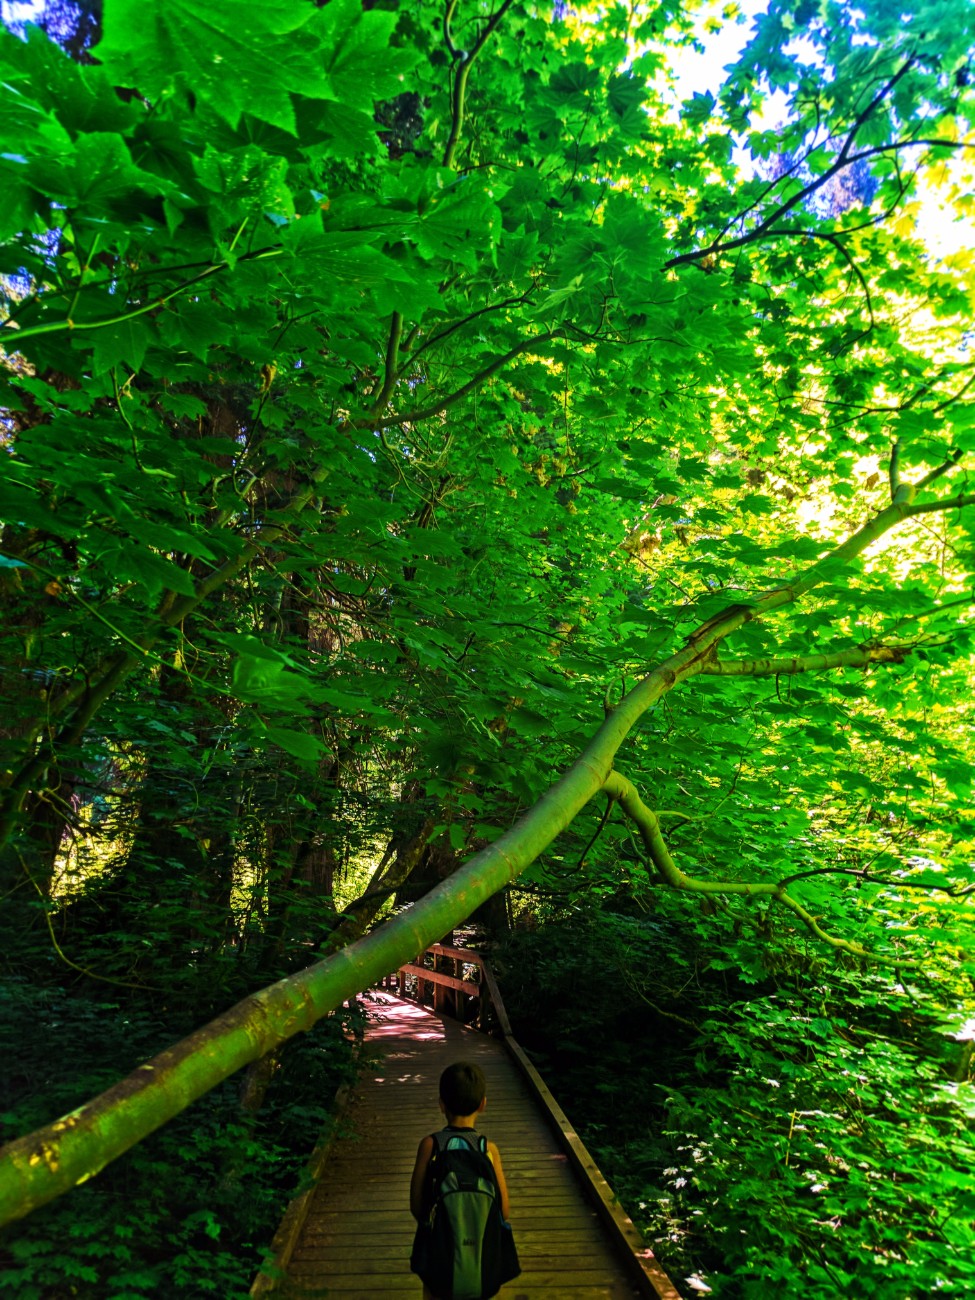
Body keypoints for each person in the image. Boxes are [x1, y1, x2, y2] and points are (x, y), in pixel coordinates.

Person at [410, 1061, 512, 1300]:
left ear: (441, 1104)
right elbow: (503, 1212)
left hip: (439, 1259)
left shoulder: (430, 1145)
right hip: (480, 1258)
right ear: (483, 1104)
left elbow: (417, 1206)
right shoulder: (489, 1150)